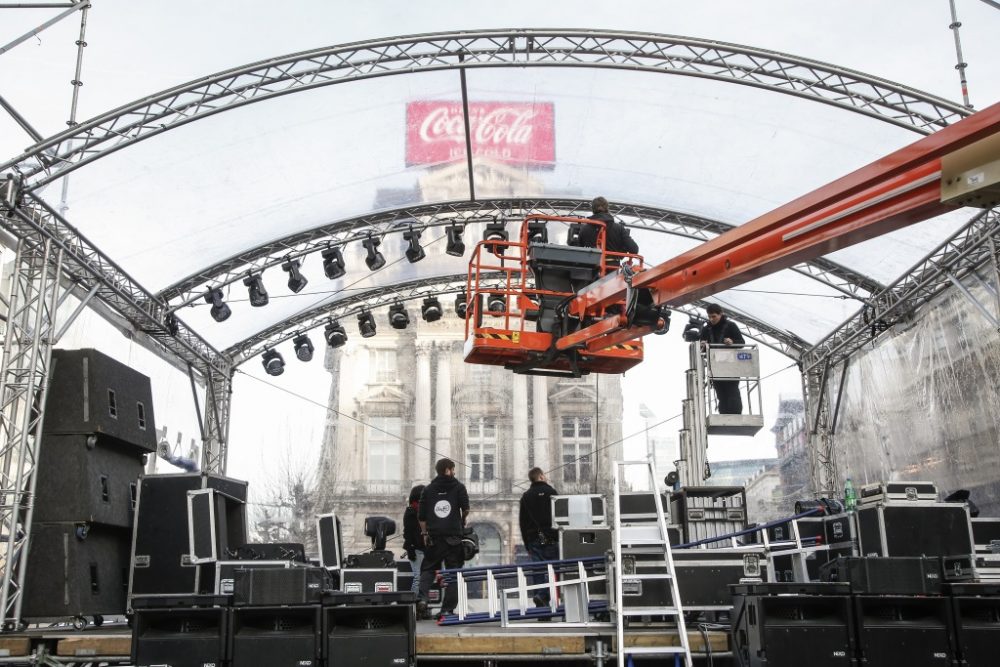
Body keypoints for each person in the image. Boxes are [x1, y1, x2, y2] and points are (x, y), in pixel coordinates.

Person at [417, 458, 470, 620]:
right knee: (453, 572)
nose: (454, 472)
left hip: (434, 537)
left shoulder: (428, 489)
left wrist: (425, 534)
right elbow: (466, 509)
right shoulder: (459, 487)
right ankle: (446, 610)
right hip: (453, 537)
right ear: (448, 470)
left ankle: (422, 598)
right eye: (453, 469)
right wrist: (461, 520)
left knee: (428, 569)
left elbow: (421, 517)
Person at [518, 467, 559, 607]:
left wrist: (527, 544)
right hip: (550, 536)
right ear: (541, 476)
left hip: (534, 538)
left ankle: (540, 606)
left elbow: (522, 523)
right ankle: (544, 595)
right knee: (554, 569)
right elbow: (559, 516)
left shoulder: (526, 496)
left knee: (538, 571)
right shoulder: (552, 493)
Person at [700, 303, 746, 414]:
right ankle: (724, 415)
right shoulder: (706, 329)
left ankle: (736, 415)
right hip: (715, 366)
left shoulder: (731, 326)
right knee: (720, 392)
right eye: (709, 316)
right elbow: (701, 348)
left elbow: (742, 342)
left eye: (714, 316)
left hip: (731, 366)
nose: (711, 319)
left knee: (732, 391)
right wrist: (702, 345)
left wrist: (732, 342)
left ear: (721, 314)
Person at [575, 196, 639, 260]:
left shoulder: (584, 229)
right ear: (607, 208)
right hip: (612, 266)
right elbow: (634, 249)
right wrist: (623, 248)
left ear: (593, 210)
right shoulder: (619, 228)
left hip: (591, 266)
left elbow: (578, 251)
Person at [402, 484, 425, 595]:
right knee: (418, 577)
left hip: (423, 549)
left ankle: (420, 599)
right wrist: (410, 548)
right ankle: (414, 601)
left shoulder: (422, 511)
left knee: (421, 577)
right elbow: (408, 533)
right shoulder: (411, 513)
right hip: (416, 549)